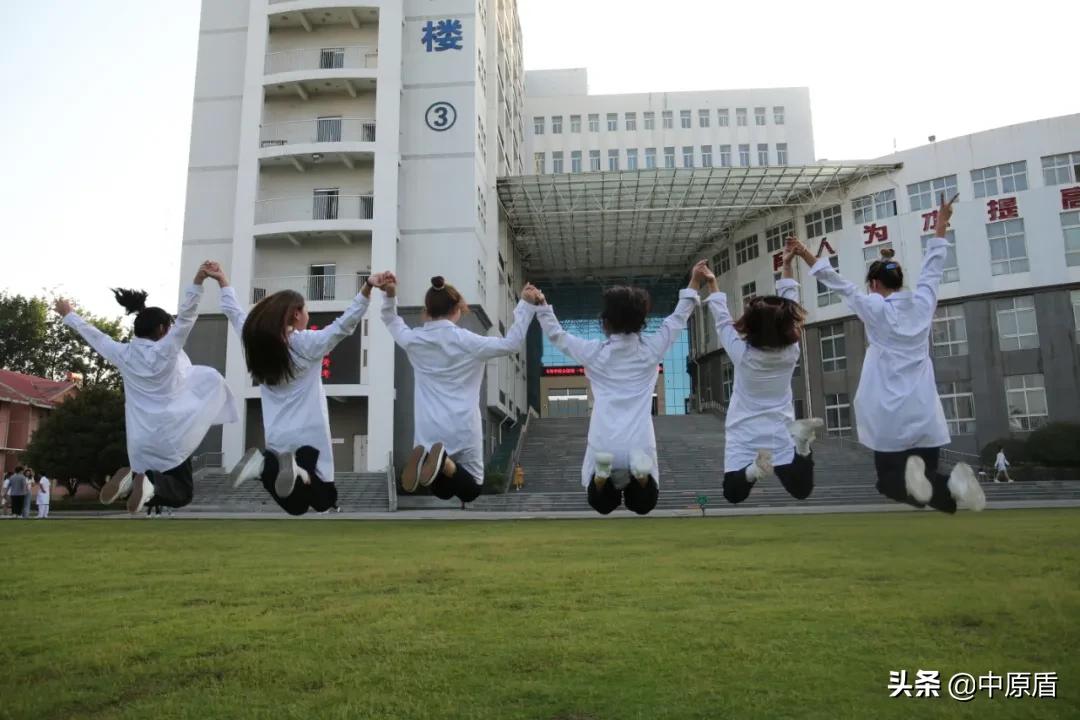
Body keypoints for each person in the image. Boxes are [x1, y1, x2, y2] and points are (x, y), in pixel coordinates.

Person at [793, 194, 984, 513]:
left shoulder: (875, 308)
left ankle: (931, 483)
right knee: (929, 492)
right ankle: (953, 486)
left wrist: (804, 254)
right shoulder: (923, 302)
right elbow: (934, 265)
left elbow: (837, 283)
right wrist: (941, 221)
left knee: (888, 483)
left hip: (890, 415)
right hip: (924, 412)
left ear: (874, 283)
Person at [55, 263, 239, 515]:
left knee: (157, 486)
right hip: (172, 437)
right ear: (163, 330)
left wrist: (69, 314)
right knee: (182, 493)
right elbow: (187, 316)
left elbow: (96, 337)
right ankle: (147, 482)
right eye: (170, 326)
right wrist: (198, 280)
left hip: (140, 442)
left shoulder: (124, 354)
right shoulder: (166, 350)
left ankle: (134, 480)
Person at [209, 263, 382, 515]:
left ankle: (263, 466)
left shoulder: (257, 342)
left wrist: (223, 281)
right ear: (296, 315)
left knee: (294, 502)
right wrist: (367, 287)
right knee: (323, 499)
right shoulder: (306, 343)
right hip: (310, 437)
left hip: (278, 438)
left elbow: (234, 313)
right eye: (306, 310)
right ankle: (277, 469)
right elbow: (344, 325)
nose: (308, 315)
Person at [531, 263, 703, 516]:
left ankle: (601, 478)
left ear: (605, 322)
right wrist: (695, 282)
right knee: (644, 503)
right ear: (642, 322)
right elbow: (677, 319)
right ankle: (641, 476)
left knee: (601, 504)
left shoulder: (595, 353)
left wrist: (542, 304)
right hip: (639, 440)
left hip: (604, 441)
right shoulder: (650, 351)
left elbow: (557, 335)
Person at [381, 273, 539, 505]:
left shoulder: (414, 340)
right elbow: (512, 344)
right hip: (463, 426)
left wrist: (390, 294)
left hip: (428, 429)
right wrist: (525, 304)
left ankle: (435, 461)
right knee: (472, 488)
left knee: (440, 491)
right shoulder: (469, 341)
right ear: (457, 309)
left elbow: (391, 320)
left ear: (428, 310)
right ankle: (444, 462)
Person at [703, 240, 826, 505]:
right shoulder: (791, 352)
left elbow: (722, 320)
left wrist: (712, 283)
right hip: (781, 430)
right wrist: (787, 266)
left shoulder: (744, 355)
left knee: (733, 493)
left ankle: (755, 470)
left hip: (743, 431)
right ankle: (803, 446)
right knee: (801, 490)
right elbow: (790, 308)